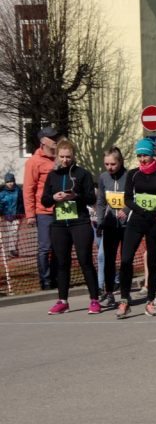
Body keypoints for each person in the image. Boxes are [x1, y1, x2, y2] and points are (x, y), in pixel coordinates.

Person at [41, 139, 100, 314]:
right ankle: (63, 301)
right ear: (57, 156)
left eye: (68, 156)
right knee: (61, 262)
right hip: (59, 224)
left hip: (80, 222)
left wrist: (75, 195)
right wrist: (54, 197)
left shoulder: (82, 174)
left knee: (84, 260)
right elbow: (44, 200)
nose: (65, 160)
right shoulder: (52, 175)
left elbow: (91, 198)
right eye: (62, 156)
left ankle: (95, 300)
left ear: (73, 156)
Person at [116, 139, 156, 318]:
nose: (142, 159)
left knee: (153, 263)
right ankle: (124, 300)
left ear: (152, 155)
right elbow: (128, 198)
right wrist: (142, 210)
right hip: (136, 221)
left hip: (154, 222)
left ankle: (150, 301)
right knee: (126, 260)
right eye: (139, 155)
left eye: (145, 155)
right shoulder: (133, 174)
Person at [24, 126, 57, 290]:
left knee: (59, 247)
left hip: (62, 210)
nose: (55, 140)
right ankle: (45, 281)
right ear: (43, 141)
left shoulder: (60, 158)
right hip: (43, 212)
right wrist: (30, 214)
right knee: (45, 247)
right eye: (52, 138)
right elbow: (28, 189)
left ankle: (56, 278)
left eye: (56, 137)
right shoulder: (33, 161)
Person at [94, 147, 128, 308]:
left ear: (120, 162)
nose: (110, 167)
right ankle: (109, 293)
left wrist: (126, 210)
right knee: (108, 260)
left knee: (126, 260)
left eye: (113, 164)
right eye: (106, 164)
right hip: (110, 224)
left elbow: (135, 197)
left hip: (127, 225)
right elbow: (101, 201)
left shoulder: (129, 176)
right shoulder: (103, 177)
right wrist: (100, 221)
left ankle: (125, 294)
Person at [0, 172, 23, 258]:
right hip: (7, 215)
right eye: (8, 182)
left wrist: (23, 212)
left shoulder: (19, 191)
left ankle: (13, 249)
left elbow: (22, 202)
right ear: (5, 182)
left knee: (14, 231)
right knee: (10, 232)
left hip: (17, 214)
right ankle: (12, 249)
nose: (10, 183)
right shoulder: (2, 193)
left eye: (12, 181)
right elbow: (1, 204)